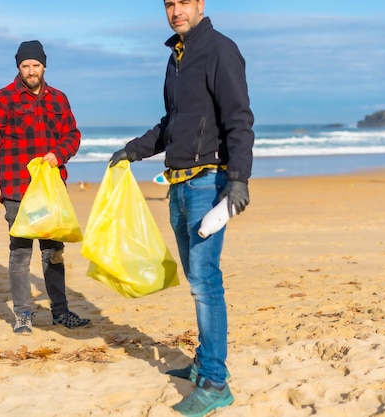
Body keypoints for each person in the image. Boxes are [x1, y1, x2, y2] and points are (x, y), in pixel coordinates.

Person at [108, 1, 254, 415]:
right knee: (196, 279)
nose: (176, 10)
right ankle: (204, 364)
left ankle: (215, 382)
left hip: (209, 184)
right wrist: (132, 151)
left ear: (201, 5)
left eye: (184, 2)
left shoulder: (221, 50)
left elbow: (239, 119)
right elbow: (173, 122)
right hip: (179, 185)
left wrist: (239, 179)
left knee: (205, 283)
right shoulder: (178, 56)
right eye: (169, 3)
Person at [0, 40, 91, 335]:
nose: (31, 70)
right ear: (19, 67)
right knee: (20, 253)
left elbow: (73, 136)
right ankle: (23, 315)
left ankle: (61, 312)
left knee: (53, 251)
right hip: (17, 189)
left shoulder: (59, 99)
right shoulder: (0, 99)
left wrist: (59, 153)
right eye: (25, 65)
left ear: (44, 66)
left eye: (35, 65)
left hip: (52, 188)